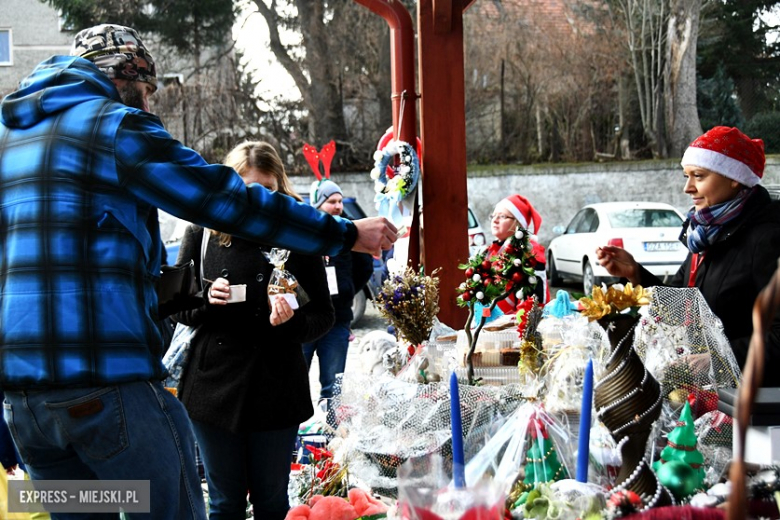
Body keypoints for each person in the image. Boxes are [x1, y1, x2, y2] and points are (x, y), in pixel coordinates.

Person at [0, 24, 395, 519]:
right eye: (145, 93)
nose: (146, 107)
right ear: (123, 78)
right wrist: (342, 234)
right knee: (176, 510)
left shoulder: (8, 139)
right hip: (103, 392)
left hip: (26, 406)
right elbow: (225, 200)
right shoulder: (114, 128)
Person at [172, 141, 332, 520]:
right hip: (213, 388)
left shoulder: (299, 233)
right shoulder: (203, 228)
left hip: (276, 385)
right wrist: (205, 297)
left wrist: (292, 322)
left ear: (280, 186)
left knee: (272, 502)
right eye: (246, 189)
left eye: (266, 189)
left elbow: (323, 315)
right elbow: (175, 304)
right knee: (225, 503)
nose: (255, 199)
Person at [596, 126, 780, 386]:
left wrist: (718, 359)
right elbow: (682, 306)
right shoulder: (707, 235)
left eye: (699, 176)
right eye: (687, 175)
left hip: (752, 404)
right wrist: (635, 274)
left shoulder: (768, 239)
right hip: (707, 392)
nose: (687, 187)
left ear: (734, 177)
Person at [303, 179, 374, 408]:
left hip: (337, 320)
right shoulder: (303, 233)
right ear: (318, 205)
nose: (338, 206)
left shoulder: (348, 233)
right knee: (294, 382)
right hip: (305, 321)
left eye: (340, 201)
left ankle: (332, 436)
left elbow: (365, 266)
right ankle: (292, 438)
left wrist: (348, 289)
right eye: (331, 201)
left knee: (333, 386)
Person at [479, 194, 549, 322]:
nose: (495, 220)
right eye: (493, 216)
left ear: (518, 223)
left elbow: (533, 301)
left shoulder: (530, 252)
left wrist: (516, 323)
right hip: (490, 325)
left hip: (515, 328)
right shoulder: (489, 252)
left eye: (502, 216)